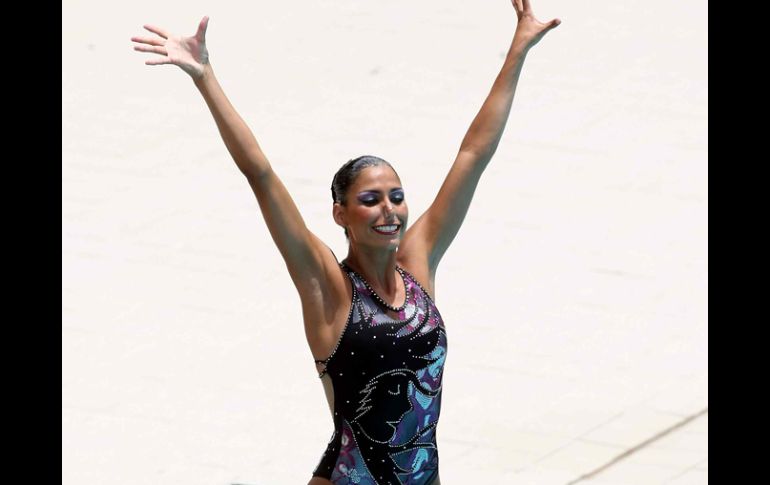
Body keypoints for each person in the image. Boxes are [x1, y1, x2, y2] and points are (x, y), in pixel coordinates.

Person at [131, 1, 559, 484]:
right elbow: (261, 174)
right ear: (341, 214)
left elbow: (473, 153)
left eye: (396, 197)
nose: (388, 209)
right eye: (370, 199)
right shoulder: (331, 289)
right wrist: (205, 76)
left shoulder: (417, 266)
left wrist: (518, 50)